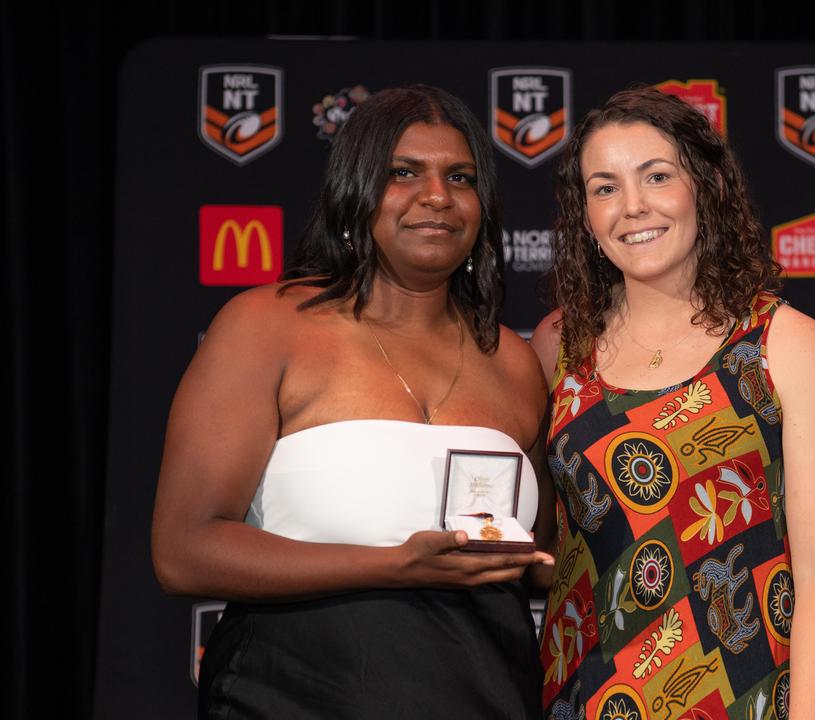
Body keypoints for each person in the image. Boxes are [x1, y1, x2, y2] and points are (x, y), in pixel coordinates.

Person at [152, 85, 555, 719]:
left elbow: (542, 561)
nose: (437, 196)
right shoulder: (268, 325)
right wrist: (397, 565)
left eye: (460, 177)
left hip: (487, 694)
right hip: (290, 693)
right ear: (355, 191)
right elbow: (184, 550)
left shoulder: (513, 359)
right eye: (403, 172)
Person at [532, 88, 815, 719]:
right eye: (604, 188)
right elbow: (544, 545)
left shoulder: (784, 344)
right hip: (582, 698)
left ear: (706, 185)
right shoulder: (557, 346)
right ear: (584, 214)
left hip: (745, 698)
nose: (632, 207)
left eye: (656, 177)